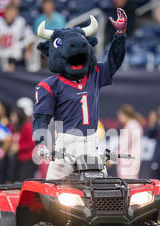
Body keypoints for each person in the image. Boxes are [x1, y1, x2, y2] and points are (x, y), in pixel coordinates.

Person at [33, 8, 127, 180]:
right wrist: (40, 143)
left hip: (92, 144)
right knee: (51, 191)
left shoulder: (93, 74)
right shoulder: (50, 85)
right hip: (66, 145)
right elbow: (41, 118)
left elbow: (113, 63)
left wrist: (120, 35)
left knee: (101, 193)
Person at [0, 3, 34, 71]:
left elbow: (30, 37)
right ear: (5, 12)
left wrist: (28, 49)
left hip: (14, 52)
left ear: (16, 13)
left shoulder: (21, 22)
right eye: (9, 11)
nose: (11, 14)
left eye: (13, 12)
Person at [116, 105, 143, 179]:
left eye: (120, 115)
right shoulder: (134, 125)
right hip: (131, 162)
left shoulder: (131, 126)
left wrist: (111, 159)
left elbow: (123, 147)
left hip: (128, 163)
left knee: (128, 186)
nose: (119, 118)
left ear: (125, 115)